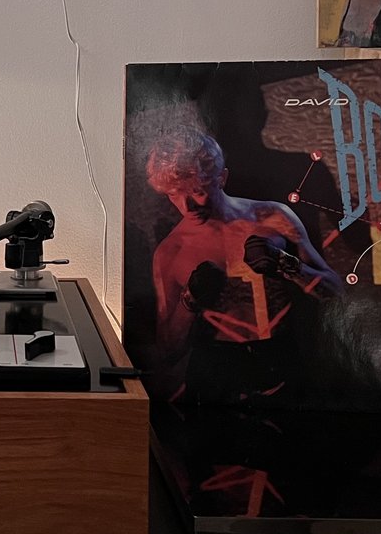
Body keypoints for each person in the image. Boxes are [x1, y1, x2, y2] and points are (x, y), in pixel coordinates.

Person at [146, 128, 343, 403]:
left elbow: (336, 294)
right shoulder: (171, 252)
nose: (187, 206)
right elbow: (168, 349)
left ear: (222, 178)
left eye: (197, 191)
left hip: (284, 368)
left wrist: (286, 264)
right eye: (173, 194)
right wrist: (189, 300)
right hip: (214, 380)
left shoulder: (273, 217)